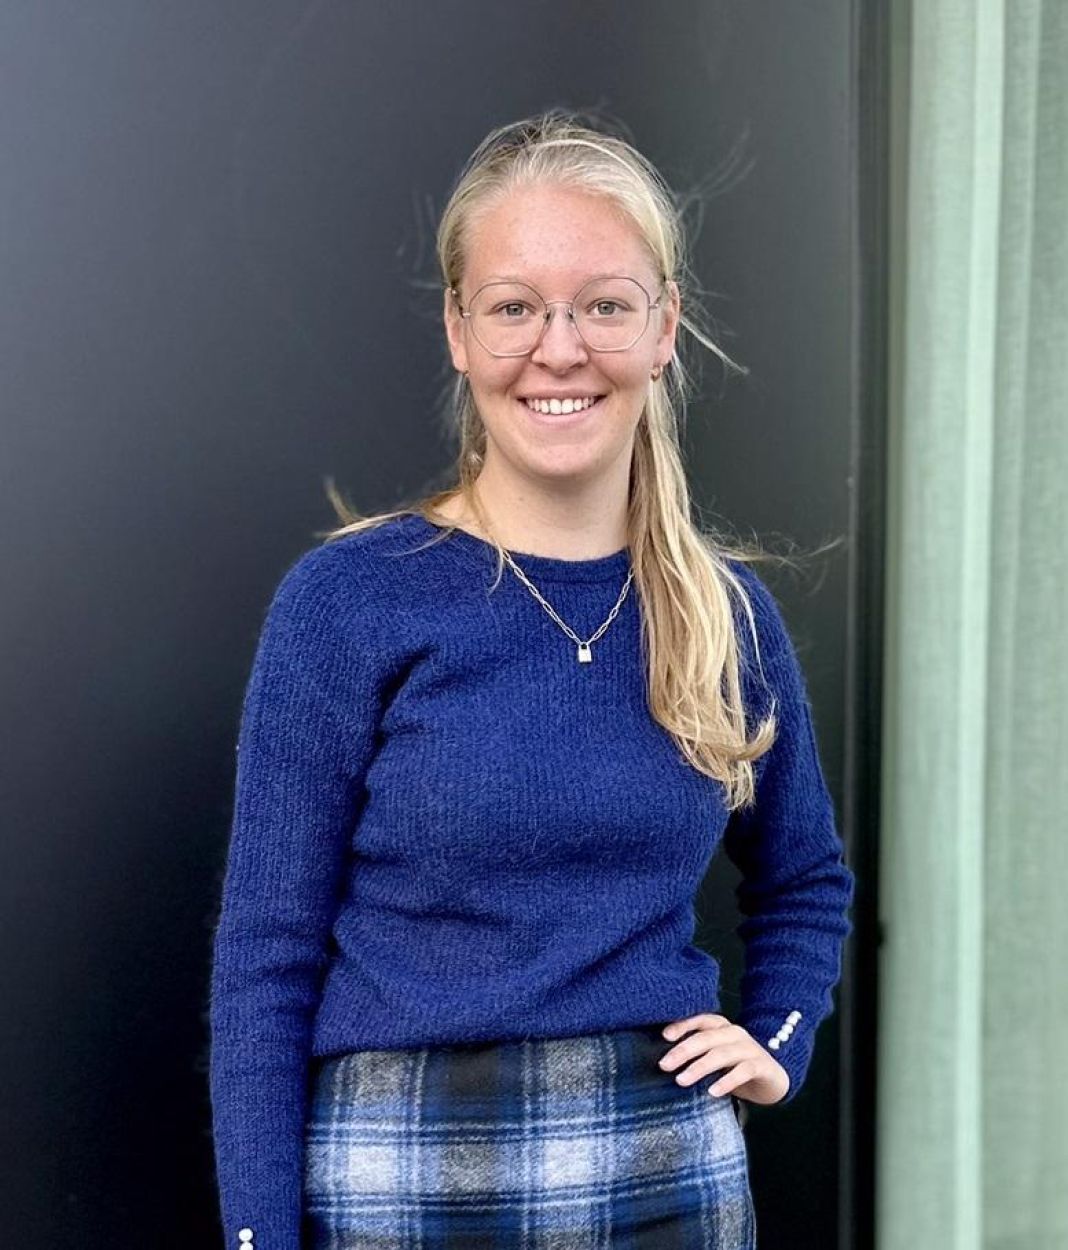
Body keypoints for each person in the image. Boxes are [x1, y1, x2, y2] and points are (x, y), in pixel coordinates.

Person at [208, 108, 855, 1249]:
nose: (560, 349)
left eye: (604, 304)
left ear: (664, 328)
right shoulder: (350, 601)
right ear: (459, 331)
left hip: (664, 1176)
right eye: (514, 307)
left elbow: (805, 878)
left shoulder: (724, 616)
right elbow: (267, 956)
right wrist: (258, 1236)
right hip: (399, 1177)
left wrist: (779, 1040)